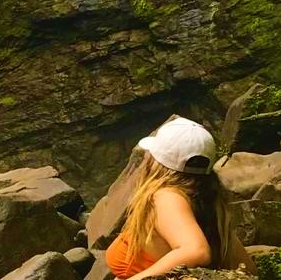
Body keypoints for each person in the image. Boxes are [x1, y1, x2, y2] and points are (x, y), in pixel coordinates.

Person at [105, 118, 255, 279]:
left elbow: (196, 251)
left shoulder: (165, 197)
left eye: (150, 154)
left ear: (157, 162)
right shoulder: (209, 204)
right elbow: (249, 269)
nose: (146, 157)